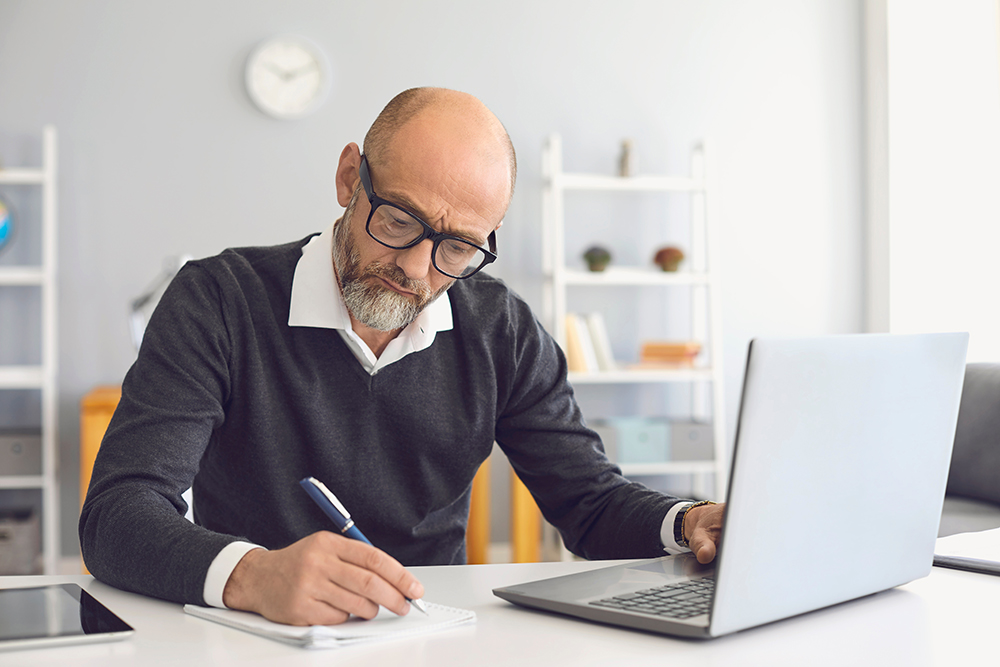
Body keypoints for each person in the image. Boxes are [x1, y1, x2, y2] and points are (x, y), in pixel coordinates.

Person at [80, 87, 724, 627]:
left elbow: (590, 503)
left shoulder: (501, 329)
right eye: (397, 221)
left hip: (429, 632)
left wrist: (688, 521)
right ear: (348, 178)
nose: (416, 267)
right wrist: (254, 574)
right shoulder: (219, 299)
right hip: (257, 634)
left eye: (458, 248)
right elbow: (117, 514)